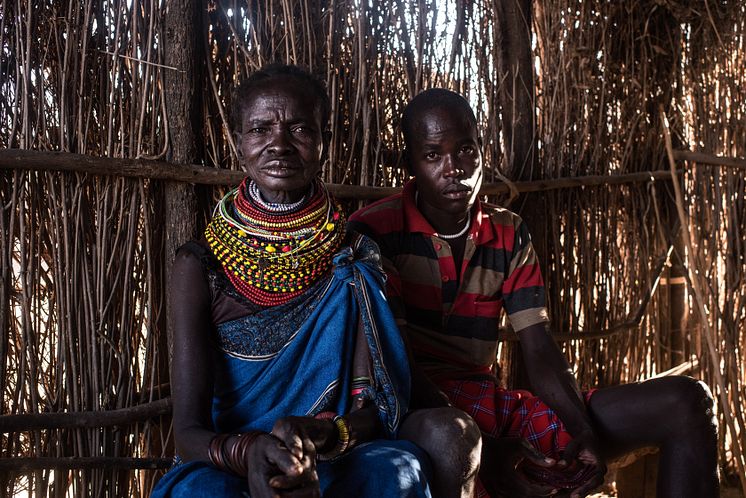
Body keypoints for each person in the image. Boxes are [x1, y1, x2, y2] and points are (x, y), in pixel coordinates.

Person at [348, 88, 719, 498]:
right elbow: (395, 365)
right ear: (410, 164)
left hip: (487, 400)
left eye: (466, 150)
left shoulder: (507, 232)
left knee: (688, 401)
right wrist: (483, 451)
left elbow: (538, 349)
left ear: (482, 151)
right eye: (433, 155)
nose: (454, 169)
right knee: (454, 437)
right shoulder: (374, 232)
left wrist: (582, 429)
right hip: (417, 409)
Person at [151, 67, 480, 498]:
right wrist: (250, 452)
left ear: (324, 140)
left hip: (334, 452)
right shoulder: (199, 265)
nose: (280, 145)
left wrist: (322, 436)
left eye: (300, 129)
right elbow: (188, 433)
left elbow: (375, 408)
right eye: (260, 129)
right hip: (231, 459)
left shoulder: (355, 256)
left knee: (395, 471)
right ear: (238, 143)